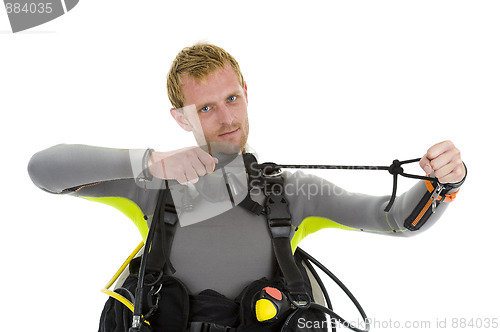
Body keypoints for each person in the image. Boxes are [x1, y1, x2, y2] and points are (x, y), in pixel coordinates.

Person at [28, 43, 466, 331]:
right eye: (206, 107)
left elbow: (395, 220)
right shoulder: (150, 185)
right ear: (182, 119)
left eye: (232, 98)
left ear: (246, 94)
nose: (226, 119)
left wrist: (442, 183)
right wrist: (150, 161)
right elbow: (43, 171)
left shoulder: (293, 193)